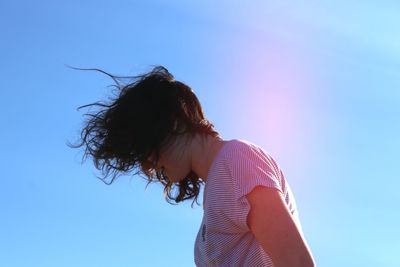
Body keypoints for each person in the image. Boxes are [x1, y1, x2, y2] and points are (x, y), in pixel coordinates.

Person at [68, 65, 316, 267]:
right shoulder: (218, 187)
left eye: (148, 149)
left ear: (175, 122)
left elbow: (297, 262)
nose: (147, 165)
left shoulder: (237, 159)